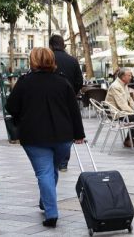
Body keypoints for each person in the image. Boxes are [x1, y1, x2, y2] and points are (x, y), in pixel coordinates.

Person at [5, 47, 85, 228]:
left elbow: (11, 106)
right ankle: (46, 202)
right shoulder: (63, 82)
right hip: (63, 136)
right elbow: (74, 111)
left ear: (32, 61)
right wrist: (79, 134)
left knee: (45, 173)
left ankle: (51, 213)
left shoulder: (25, 82)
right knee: (51, 170)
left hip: (34, 136)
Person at [49, 34, 83, 171]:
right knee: (66, 128)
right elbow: (79, 81)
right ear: (63, 45)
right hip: (68, 100)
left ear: (51, 45)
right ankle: (63, 162)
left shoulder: (48, 59)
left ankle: (52, 156)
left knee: (50, 124)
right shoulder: (73, 61)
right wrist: (72, 93)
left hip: (50, 99)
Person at [105, 68, 134, 147]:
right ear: (123, 77)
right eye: (129, 75)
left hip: (122, 111)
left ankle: (129, 139)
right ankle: (129, 140)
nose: (131, 77)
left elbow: (130, 100)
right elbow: (122, 104)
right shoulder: (115, 86)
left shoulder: (124, 84)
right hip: (115, 113)